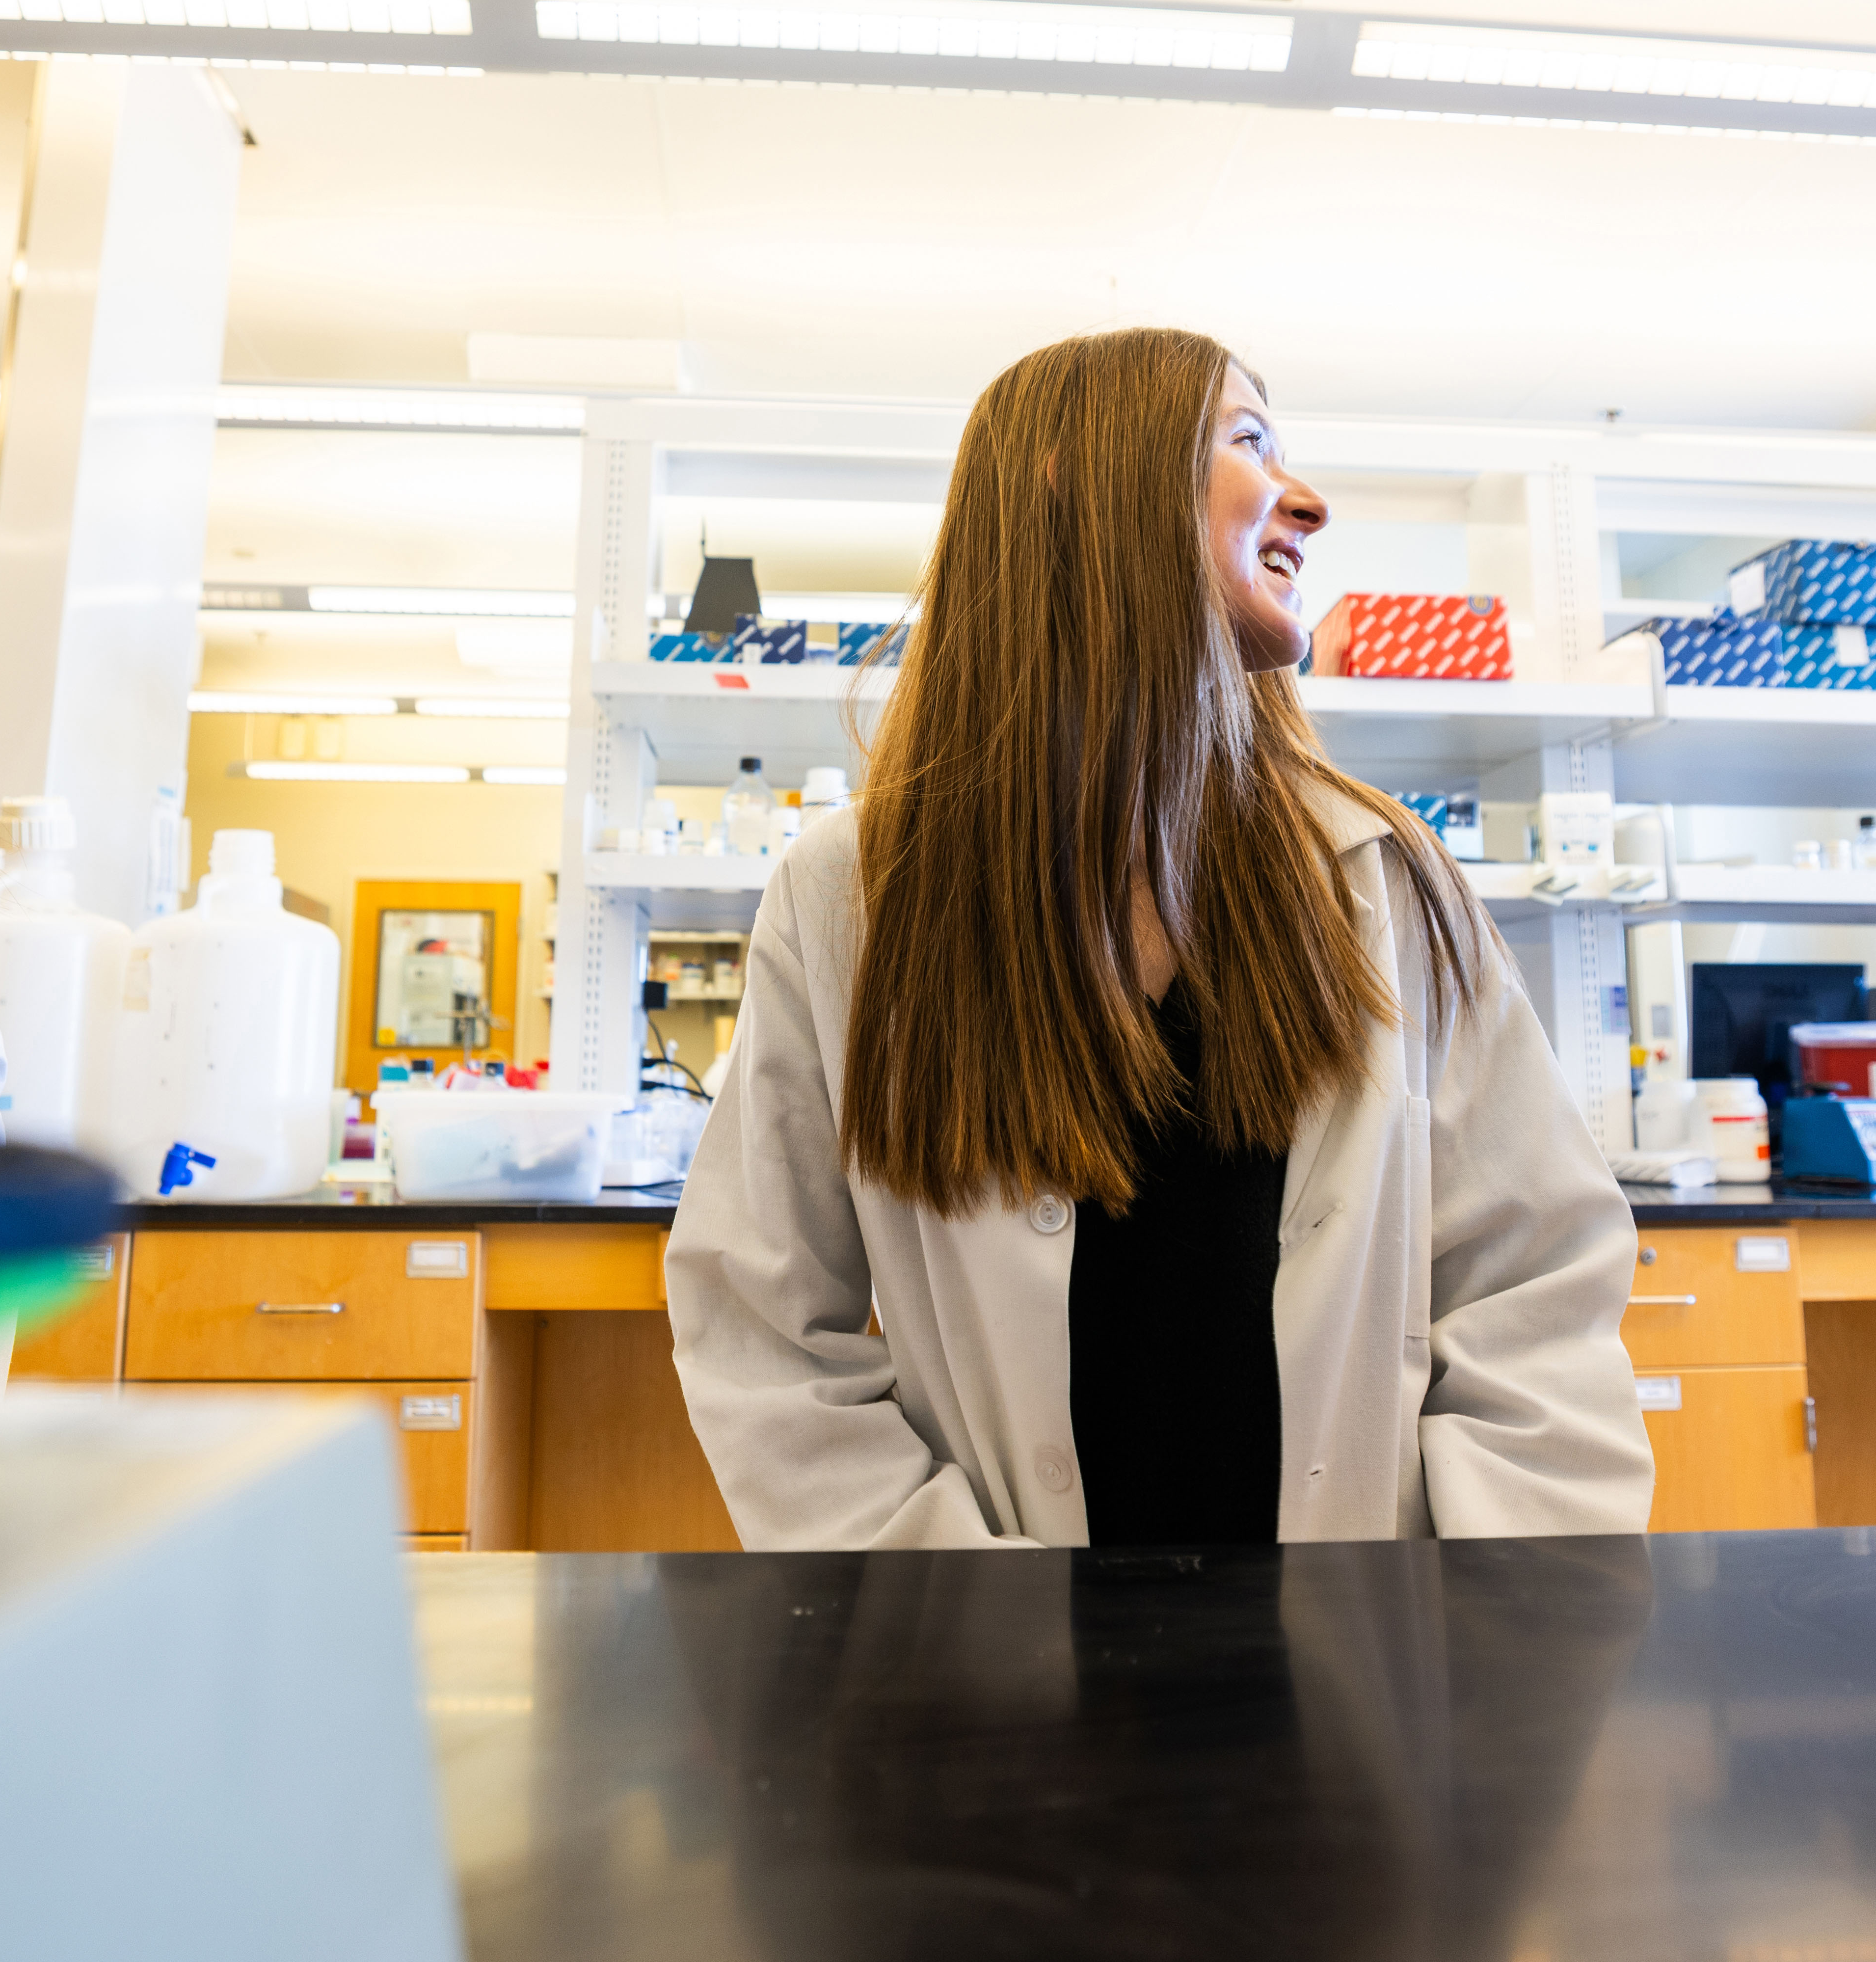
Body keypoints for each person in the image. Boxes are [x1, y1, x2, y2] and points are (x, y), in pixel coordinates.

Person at [665, 326, 1651, 1546]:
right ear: (1074, 486)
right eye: (1246, 442)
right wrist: (943, 1603)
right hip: (996, 1681)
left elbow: (1536, 1282)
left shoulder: (1381, 881)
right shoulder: (855, 896)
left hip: (1353, 1676)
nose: (1309, 499)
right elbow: (759, 1323)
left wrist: (1495, 1616)